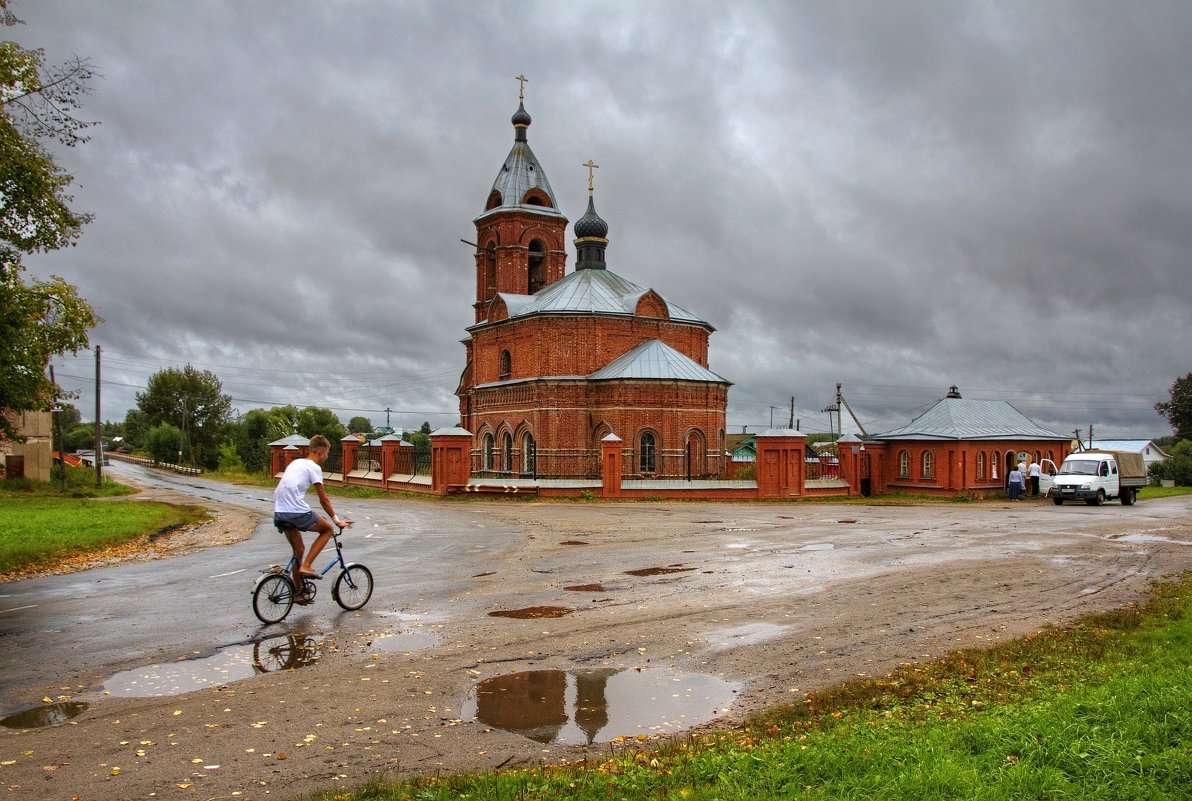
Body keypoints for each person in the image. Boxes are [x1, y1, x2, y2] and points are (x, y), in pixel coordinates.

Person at [272, 434, 351, 603]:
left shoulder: (295, 462)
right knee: (327, 529)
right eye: (328, 452)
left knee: (298, 550)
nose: (328, 456)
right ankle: (307, 566)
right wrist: (337, 520)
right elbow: (324, 499)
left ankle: (299, 593)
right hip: (295, 511)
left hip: (279, 512)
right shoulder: (314, 467)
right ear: (321, 451)